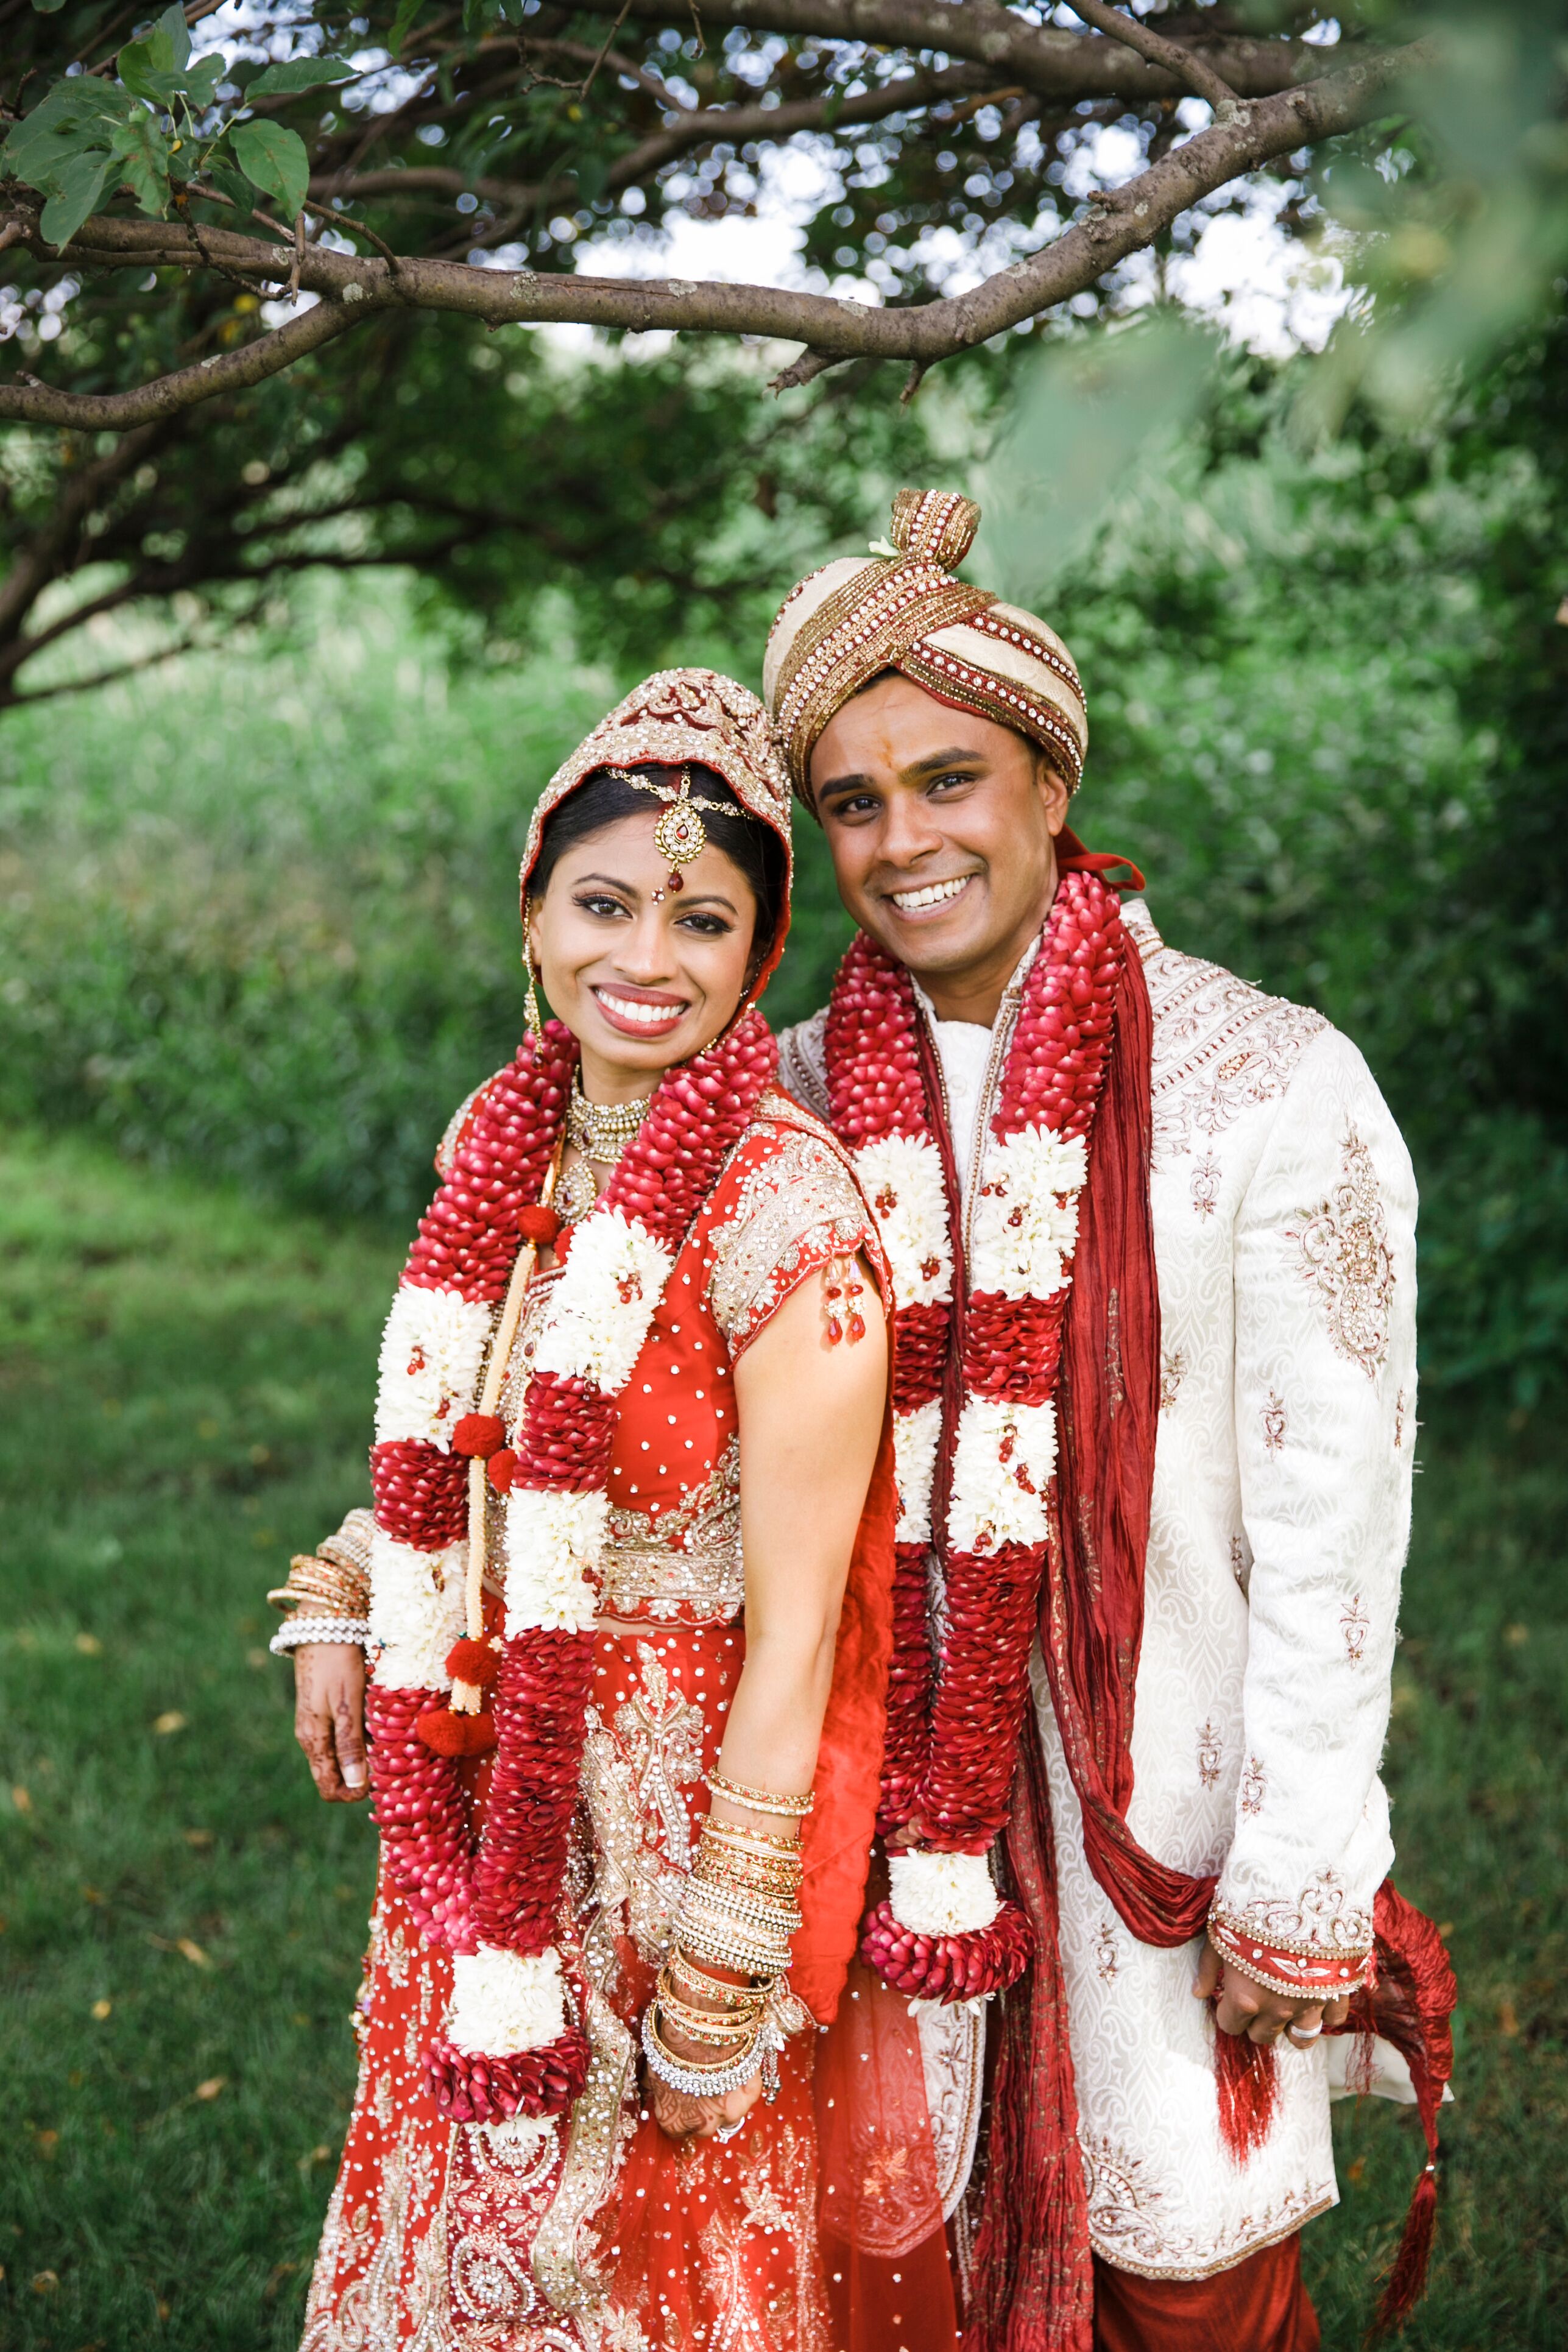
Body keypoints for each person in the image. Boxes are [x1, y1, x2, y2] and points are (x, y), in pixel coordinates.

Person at [765, 492, 1455, 2352]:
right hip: (874, 1823)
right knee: (884, 2279)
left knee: (1189, 2285)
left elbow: (1336, 1531)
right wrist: (361, 1576)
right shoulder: (789, 1097)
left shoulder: (1265, 1081)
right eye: (852, 801)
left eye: (950, 778)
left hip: (1172, 1805)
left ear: (1051, 785)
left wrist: (1306, 1872)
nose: (904, 840)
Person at [269, 668, 903, 2351]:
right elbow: (469, 1450)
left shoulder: (782, 1205)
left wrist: (724, 1959)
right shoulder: (506, 1134)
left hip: (669, 1821)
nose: (646, 957)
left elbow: (803, 1623)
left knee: (638, 2256)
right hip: (484, 1793)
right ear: (534, 920)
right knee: (454, 2218)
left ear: (758, 956)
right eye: (605, 903)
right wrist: (350, 1591)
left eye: (701, 919)